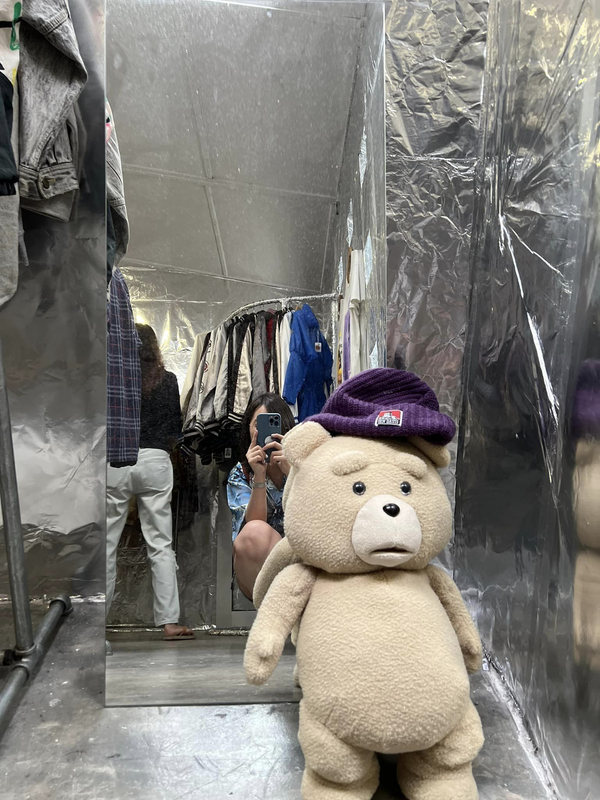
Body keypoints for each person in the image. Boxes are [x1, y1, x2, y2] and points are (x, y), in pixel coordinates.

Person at [106, 324, 194, 641]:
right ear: (153, 349)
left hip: (117, 459)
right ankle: (170, 622)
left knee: (106, 546)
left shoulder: (113, 380)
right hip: (156, 461)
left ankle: (93, 623)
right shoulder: (167, 380)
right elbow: (174, 426)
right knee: (160, 545)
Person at [227, 393, 295, 601]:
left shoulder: (303, 465)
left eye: (273, 423)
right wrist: (259, 475)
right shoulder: (241, 473)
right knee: (254, 531)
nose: (263, 431)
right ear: (248, 429)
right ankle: (275, 609)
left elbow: (316, 521)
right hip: (257, 570)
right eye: (257, 424)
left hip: (299, 563)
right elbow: (253, 527)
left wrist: (293, 474)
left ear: (285, 427)